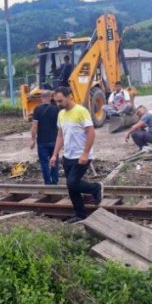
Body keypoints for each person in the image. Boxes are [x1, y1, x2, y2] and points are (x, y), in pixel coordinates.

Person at [50, 86, 103, 223]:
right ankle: (80, 215)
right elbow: (60, 135)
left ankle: (95, 188)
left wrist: (85, 153)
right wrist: (55, 155)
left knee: (72, 183)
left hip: (81, 155)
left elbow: (91, 132)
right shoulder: (61, 114)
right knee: (71, 188)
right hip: (68, 156)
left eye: (60, 101)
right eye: (56, 101)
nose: (58, 104)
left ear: (69, 96)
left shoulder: (81, 111)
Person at [30, 90, 60, 184]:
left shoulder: (37, 109)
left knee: (44, 162)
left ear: (41, 98)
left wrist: (33, 140)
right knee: (54, 160)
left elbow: (35, 126)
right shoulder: (56, 109)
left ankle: (47, 182)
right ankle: (54, 182)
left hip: (42, 141)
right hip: (54, 141)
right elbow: (60, 126)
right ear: (50, 97)